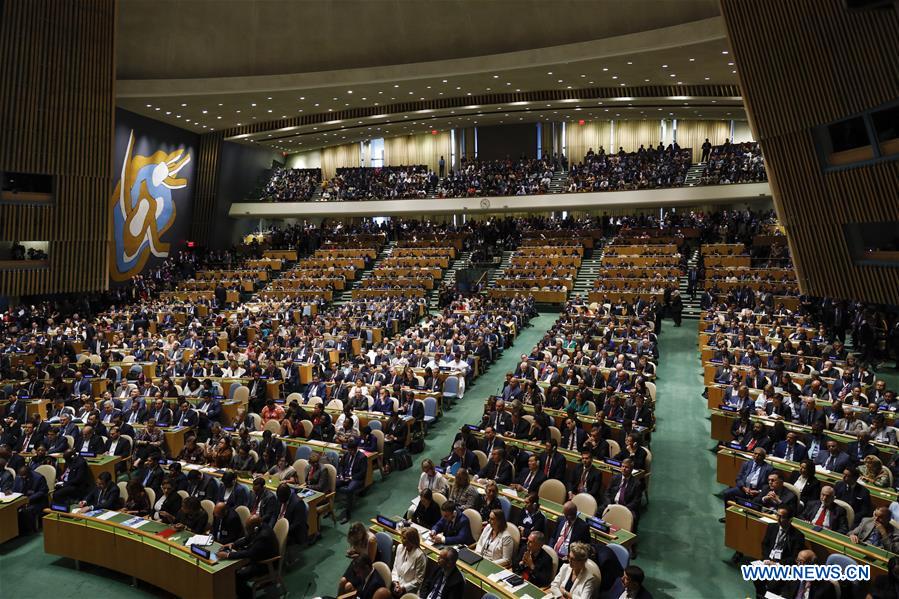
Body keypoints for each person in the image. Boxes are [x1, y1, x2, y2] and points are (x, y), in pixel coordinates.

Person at [217, 515, 280, 599]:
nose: (247, 530)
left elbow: (249, 553)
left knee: (237, 576)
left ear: (255, 528)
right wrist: (233, 544)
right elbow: (247, 539)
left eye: (248, 528)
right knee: (233, 571)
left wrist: (228, 555)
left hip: (266, 564)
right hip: (258, 557)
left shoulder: (264, 536)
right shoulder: (259, 526)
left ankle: (247, 596)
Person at [379, 526, 426, 598]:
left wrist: (403, 588)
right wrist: (396, 583)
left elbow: (418, 581)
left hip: (409, 590)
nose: (401, 540)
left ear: (412, 540)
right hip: (396, 584)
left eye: (404, 538)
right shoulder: (400, 547)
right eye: (401, 537)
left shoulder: (420, 556)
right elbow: (395, 568)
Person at [338, 521, 378, 596]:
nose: (355, 542)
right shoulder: (356, 539)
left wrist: (356, 556)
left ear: (362, 534)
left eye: (357, 539)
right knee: (342, 581)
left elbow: (370, 561)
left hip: (365, 567)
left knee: (348, 586)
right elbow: (357, 550)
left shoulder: (371, 540)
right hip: (357, 562)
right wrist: (352, 552)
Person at [336, 438, 366, 523]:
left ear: (356, 448)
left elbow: (363, 473)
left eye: (351, 450)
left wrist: (352, 477)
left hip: (356, 478)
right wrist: (341, 475)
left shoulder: (362, 457)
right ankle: (329, 508)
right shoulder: (347, 454)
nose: (350, 452)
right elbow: (341, 465)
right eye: (349, 450)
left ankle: (347, 514)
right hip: (345, 476)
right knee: (333, 483)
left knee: (349, 490)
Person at [13, 464, 49, 532]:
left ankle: (26, 530)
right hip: (22, 500)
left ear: (29, 473)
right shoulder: (19, 476)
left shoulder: (39, 478)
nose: (22, 477)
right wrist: (11, 493)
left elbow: (43, 491)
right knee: (12, 508)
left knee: (24, 511)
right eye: (21, 476)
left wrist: (28, 499)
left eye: (24, 476)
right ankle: (14, 530)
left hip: (37, 501)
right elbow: (15, 489)